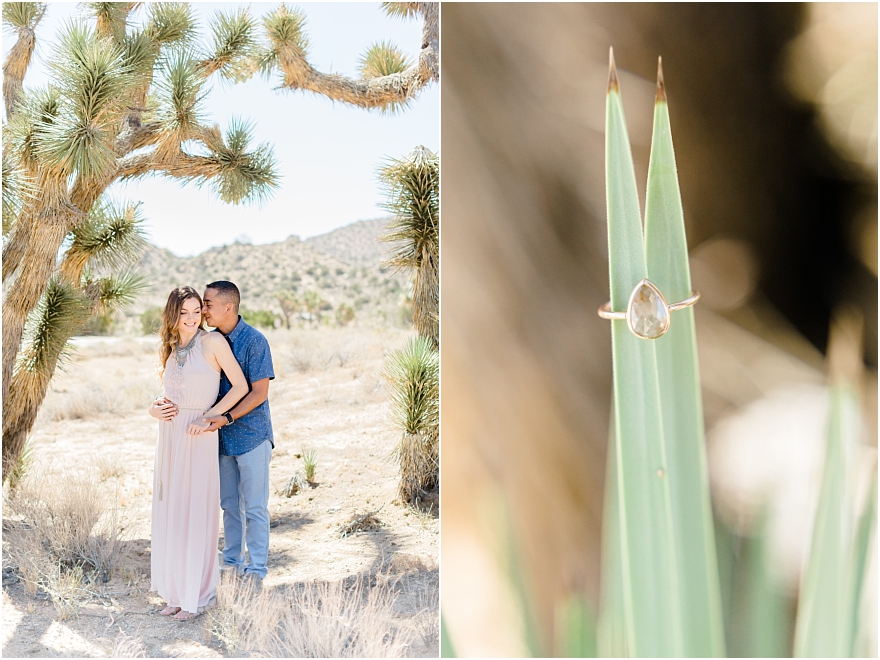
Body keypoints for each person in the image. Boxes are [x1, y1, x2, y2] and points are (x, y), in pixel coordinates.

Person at [148, 286, 248, 620]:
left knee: (196, 516)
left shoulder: (213, 343)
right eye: (184, 312)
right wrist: (154, 408)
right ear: (172, 315)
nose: (191, 319)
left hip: (198, 434)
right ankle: (176, 593)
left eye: (196, 311)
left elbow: (240, 386)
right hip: (171, 436)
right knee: (173, 514)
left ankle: (198, 596)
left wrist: (210, 417)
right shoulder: (171, 348)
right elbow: (164, 394)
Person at [198, 281, 276, 587]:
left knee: (255, 506)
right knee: (229, 505)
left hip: (253, 435)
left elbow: (259, 393)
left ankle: (256, 568)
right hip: (220, 439)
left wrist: (226, 416)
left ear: (229, 307)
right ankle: (231, 562)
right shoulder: (207, 341)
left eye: (208, 304)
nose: (204, 310)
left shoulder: (255, 341)